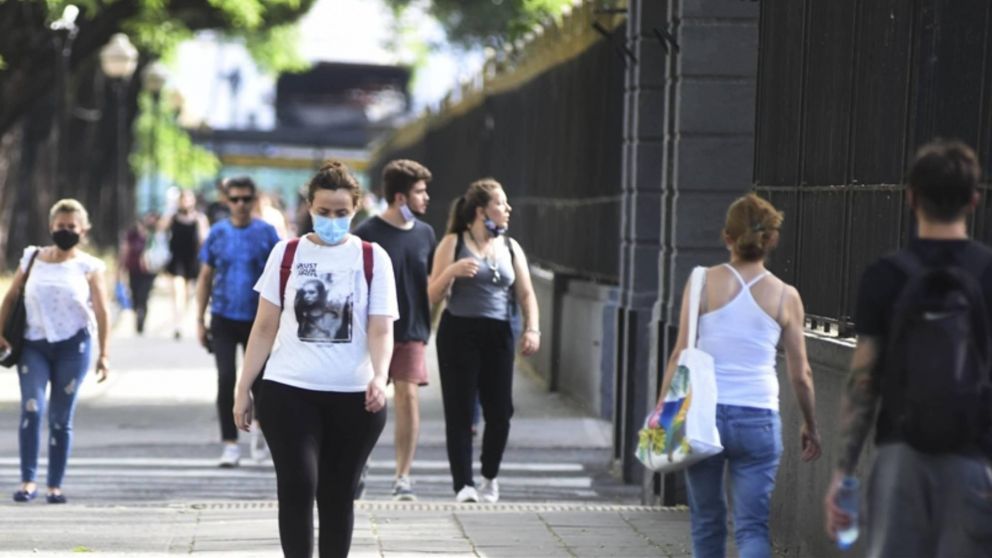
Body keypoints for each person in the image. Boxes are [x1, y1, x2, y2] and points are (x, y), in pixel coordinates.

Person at [824, 140, 992, 556]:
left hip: (900, 458)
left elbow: (863, 383)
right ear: (974, 199)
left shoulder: (884, 277)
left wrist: (843, 473)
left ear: (910, 197)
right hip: (974, 461)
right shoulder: (988, 273)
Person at [233, 160, 397, 558]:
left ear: (356, 209)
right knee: (298, 485)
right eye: (324, 211)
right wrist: (242, 390)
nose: (332, 219)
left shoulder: (373, 259)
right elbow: (264, 327)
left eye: (341, 213)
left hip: (355, 396)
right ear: (309, 207)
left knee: (338, 494)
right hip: (289, 390)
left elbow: (380, 328)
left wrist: (380, 377)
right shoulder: (286, 253)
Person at [655, 193, 820, 557]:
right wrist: (810, 423)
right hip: (758, 417)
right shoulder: (786, 296)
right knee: (752, 528)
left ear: (726, 237)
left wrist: (663, 412)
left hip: (704, 415)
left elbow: (680, 352)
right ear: (771, 238)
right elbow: (802, 374)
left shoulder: (701, 282)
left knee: (707, 522)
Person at [427, 178, 541, 504]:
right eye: (501, 203)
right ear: (481, 210)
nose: (508, 209)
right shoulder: (453, 242)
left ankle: (489, 475)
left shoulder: (510, 247)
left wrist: (532, 329)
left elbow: (526, 293)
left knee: (500, 411)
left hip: (498, 333)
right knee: (460, 411)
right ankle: (463, 484)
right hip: (458, 331)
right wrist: (452, 273)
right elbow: (432, 293)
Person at [0, 199, 110, 504]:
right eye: (60, 226)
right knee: (32, 408)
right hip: (33, 345)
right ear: (51, 227)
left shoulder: (89, 267)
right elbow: (10, 297)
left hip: (73, 347)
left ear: (83, 230)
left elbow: (102, 312)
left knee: (61, 418)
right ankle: (27, 481)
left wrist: (104, 354)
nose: (65, 231)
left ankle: (54, 485)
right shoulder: (32, 258)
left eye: (71, 227)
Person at [354, 159, 435, 501]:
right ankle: (359, 463)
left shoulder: (425, 234)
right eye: (420, 192)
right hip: (371, 331)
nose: (426, 198)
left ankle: (403, 476)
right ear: (400, 197)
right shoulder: (366, 235)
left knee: (409, 396)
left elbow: (428, 283)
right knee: (366, 402)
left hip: (412, 331)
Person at [196, 177, 279, 467]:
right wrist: (199, 319)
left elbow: (281, 277)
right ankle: (230, 444)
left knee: (260, 382)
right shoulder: (217, 233)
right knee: (226, 377)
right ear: (226, 201)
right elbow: (205, 276)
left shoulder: (267, 233)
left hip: (259, 320)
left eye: (246, 198)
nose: (240, 204)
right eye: (235, 199)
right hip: (223, 316)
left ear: (254, 200)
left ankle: (260, 432)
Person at [162, 189, 209, 339]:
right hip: (177, 259)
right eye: (183, 199)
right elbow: (159, 229)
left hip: (193, 260)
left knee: (188, 294)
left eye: (189, 199)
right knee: (178, 290)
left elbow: (204, 239)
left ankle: (181, 319)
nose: (186, 202)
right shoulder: (172, 217)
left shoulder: (200, 218)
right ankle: (178, 324)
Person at [119, 212, 158, 334]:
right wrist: (120, 268)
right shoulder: (131, 235)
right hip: (133, 269)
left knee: (144, 296)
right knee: (134, 294)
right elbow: (124, 251)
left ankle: (142, 317)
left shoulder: (153, 236)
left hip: (149, 271)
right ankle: (137, 312)